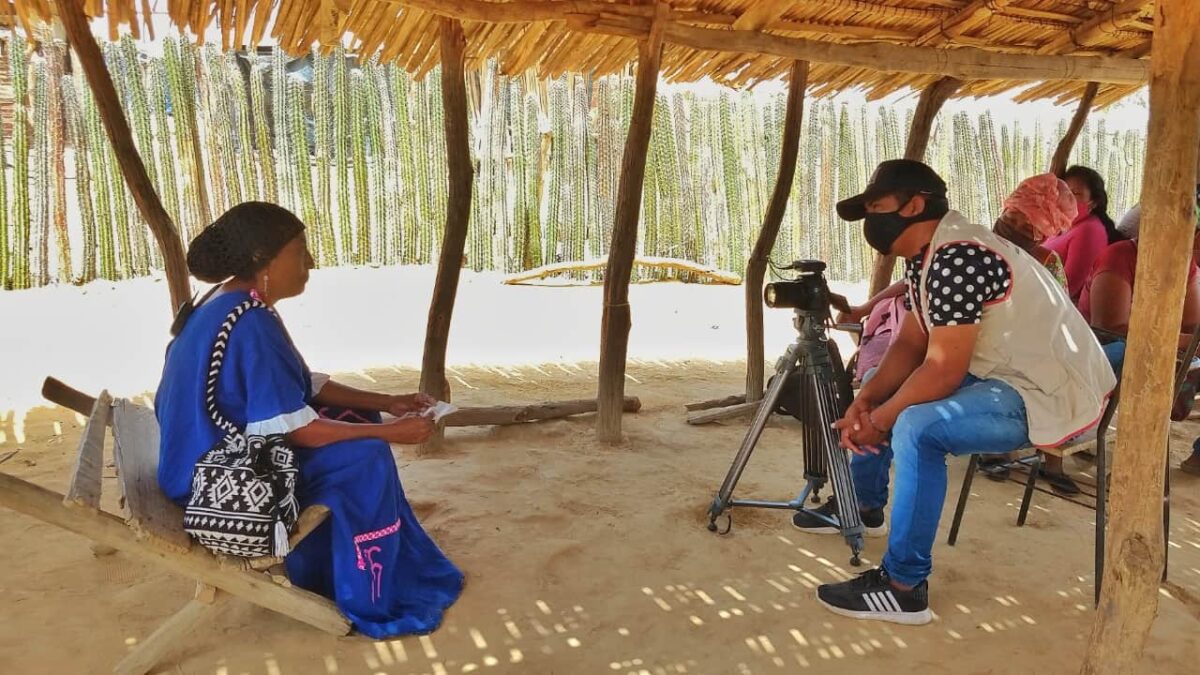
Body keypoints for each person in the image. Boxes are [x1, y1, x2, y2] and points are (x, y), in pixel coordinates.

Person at [793, 160, 1115, 625]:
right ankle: (861, 505)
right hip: (1005, 375)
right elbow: (911, 340)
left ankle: (904, 587)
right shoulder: (931, 252)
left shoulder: (959, 256)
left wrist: (878, 421)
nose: (871, 222)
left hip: (1048, 391)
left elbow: (942, 371)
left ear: (914, 206)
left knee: (918, 428)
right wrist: (867, 399)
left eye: (876, 208)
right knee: (890, 400)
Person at [155, 202, 464, 638]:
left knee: (356, 417)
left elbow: (301, 386)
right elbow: (297, 427)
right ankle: (366, 593)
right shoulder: (251, 322)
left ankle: (329, 565)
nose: (311, 263)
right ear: (264, 258)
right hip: (217, 481)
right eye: (300, 251)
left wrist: (388, 402)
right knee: (367, 456)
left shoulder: (231, 301)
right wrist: (390, 432)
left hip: (194, 459)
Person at [1079, 200, 1200, 475]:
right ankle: (1131, 469)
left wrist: (1188, 344)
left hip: (1160, 344)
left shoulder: (1185, 265)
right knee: (1150, 365)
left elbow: (1192, 323)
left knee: (1168, 360)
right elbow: (1111, 327)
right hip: (1106, 349)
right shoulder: (1119, 257)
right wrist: (1183, 343)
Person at [1043, 165, 1127, 303]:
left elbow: (1068, 287)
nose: (1067, 197)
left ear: (1093, 203)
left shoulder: (1089, 231)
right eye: (1065, 191)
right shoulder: (1062, 225)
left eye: (1076, 193)